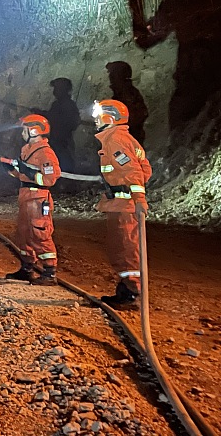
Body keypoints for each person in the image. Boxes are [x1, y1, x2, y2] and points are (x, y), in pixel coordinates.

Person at [92, 99, 151, 308]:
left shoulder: (116, 139)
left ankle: (132, 293)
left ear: (110, 118)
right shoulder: (119, 138)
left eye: (99, 115)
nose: (96, 120)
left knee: (125, 248)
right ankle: (127, 289)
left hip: (124, 205)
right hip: (120, 203)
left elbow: (133, 172)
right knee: (122, 248)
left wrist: (139, 199)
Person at [0, 114, 61, 286]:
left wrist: (29, 172)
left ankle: (49, 272)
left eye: (24, 129)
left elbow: (49, 179)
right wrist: (6, 168)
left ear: (34, 130)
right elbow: (21, 174)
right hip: (26, 196)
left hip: (38, 198)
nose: (22, 133)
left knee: (39, 233)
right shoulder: (27, 149)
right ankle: (27, 269)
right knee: (24, 233)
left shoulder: (45, 153)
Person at [105, 61, 149, 144]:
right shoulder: (122, 93)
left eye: (112, 74)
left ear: (118, 75)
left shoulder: (126, 94)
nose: (110, 77)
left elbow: (137, 116)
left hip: (128, 140)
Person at [43, 78, 80, 172]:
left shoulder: (67, 105)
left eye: (56, 88)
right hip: (57, 140)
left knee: (64, 165)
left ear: (63, 89)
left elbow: (73, 122)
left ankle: (66, 183)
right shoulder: (58, 104)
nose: (54, 91)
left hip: (63, 142)